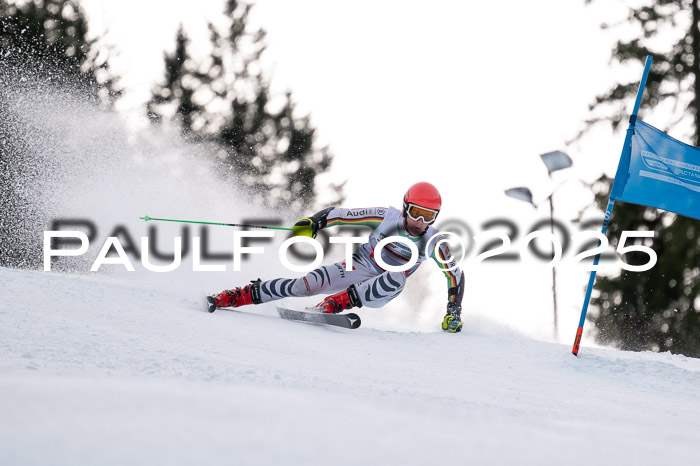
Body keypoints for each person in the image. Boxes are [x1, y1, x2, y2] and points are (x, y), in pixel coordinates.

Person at [208, 182, 465, 332]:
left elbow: (454, 274)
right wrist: (314, 223)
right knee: (304, 285)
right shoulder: (386, 216)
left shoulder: (433, 240)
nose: (420, 221)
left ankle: (335, 303)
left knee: (397, 275)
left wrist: (453, 312)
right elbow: (341, 215)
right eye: (417, 212)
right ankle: (236, 295)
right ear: (406, 207)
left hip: (383, 288)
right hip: (360, 266)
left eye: (428, 216)